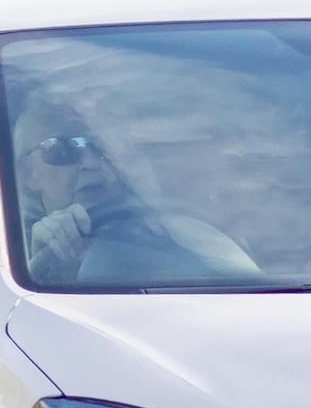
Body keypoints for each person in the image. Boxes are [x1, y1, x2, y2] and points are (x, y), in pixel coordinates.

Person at [15, 105, 256, 285]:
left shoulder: (184, 231)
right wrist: (45, 268)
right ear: (29, 174)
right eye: (62, 149)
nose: (90, 162)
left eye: (101, 148)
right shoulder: (7, 258)